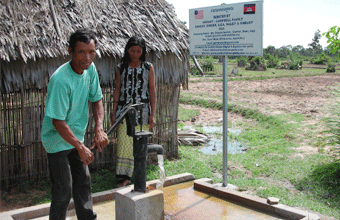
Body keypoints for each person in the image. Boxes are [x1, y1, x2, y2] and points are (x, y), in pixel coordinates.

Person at [41, 28, 109, 220]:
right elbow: (57, 121)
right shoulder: (61, 80)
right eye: (81, 52)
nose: (87, 58)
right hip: (56, 140)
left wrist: (99, 128)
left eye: (91, 52)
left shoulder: (90, 69)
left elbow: (97, 99)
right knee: (63, 189)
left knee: (83, 183)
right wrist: (80, 146)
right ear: (70, 51)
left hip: (76, 137)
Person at [111, 36, 156, 188]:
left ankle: (138, 174)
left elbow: (152, 91)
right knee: (124, 143)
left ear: (142, 52)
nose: (135, 54)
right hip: (124, 112)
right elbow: (117, 90)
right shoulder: (121, 68)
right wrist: (113, 112)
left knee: (138, 143)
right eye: (132, 51)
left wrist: (152, 114)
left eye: (138, 51)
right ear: (127, 50)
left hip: (142, 112)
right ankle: (123, 176)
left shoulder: (148, 68)